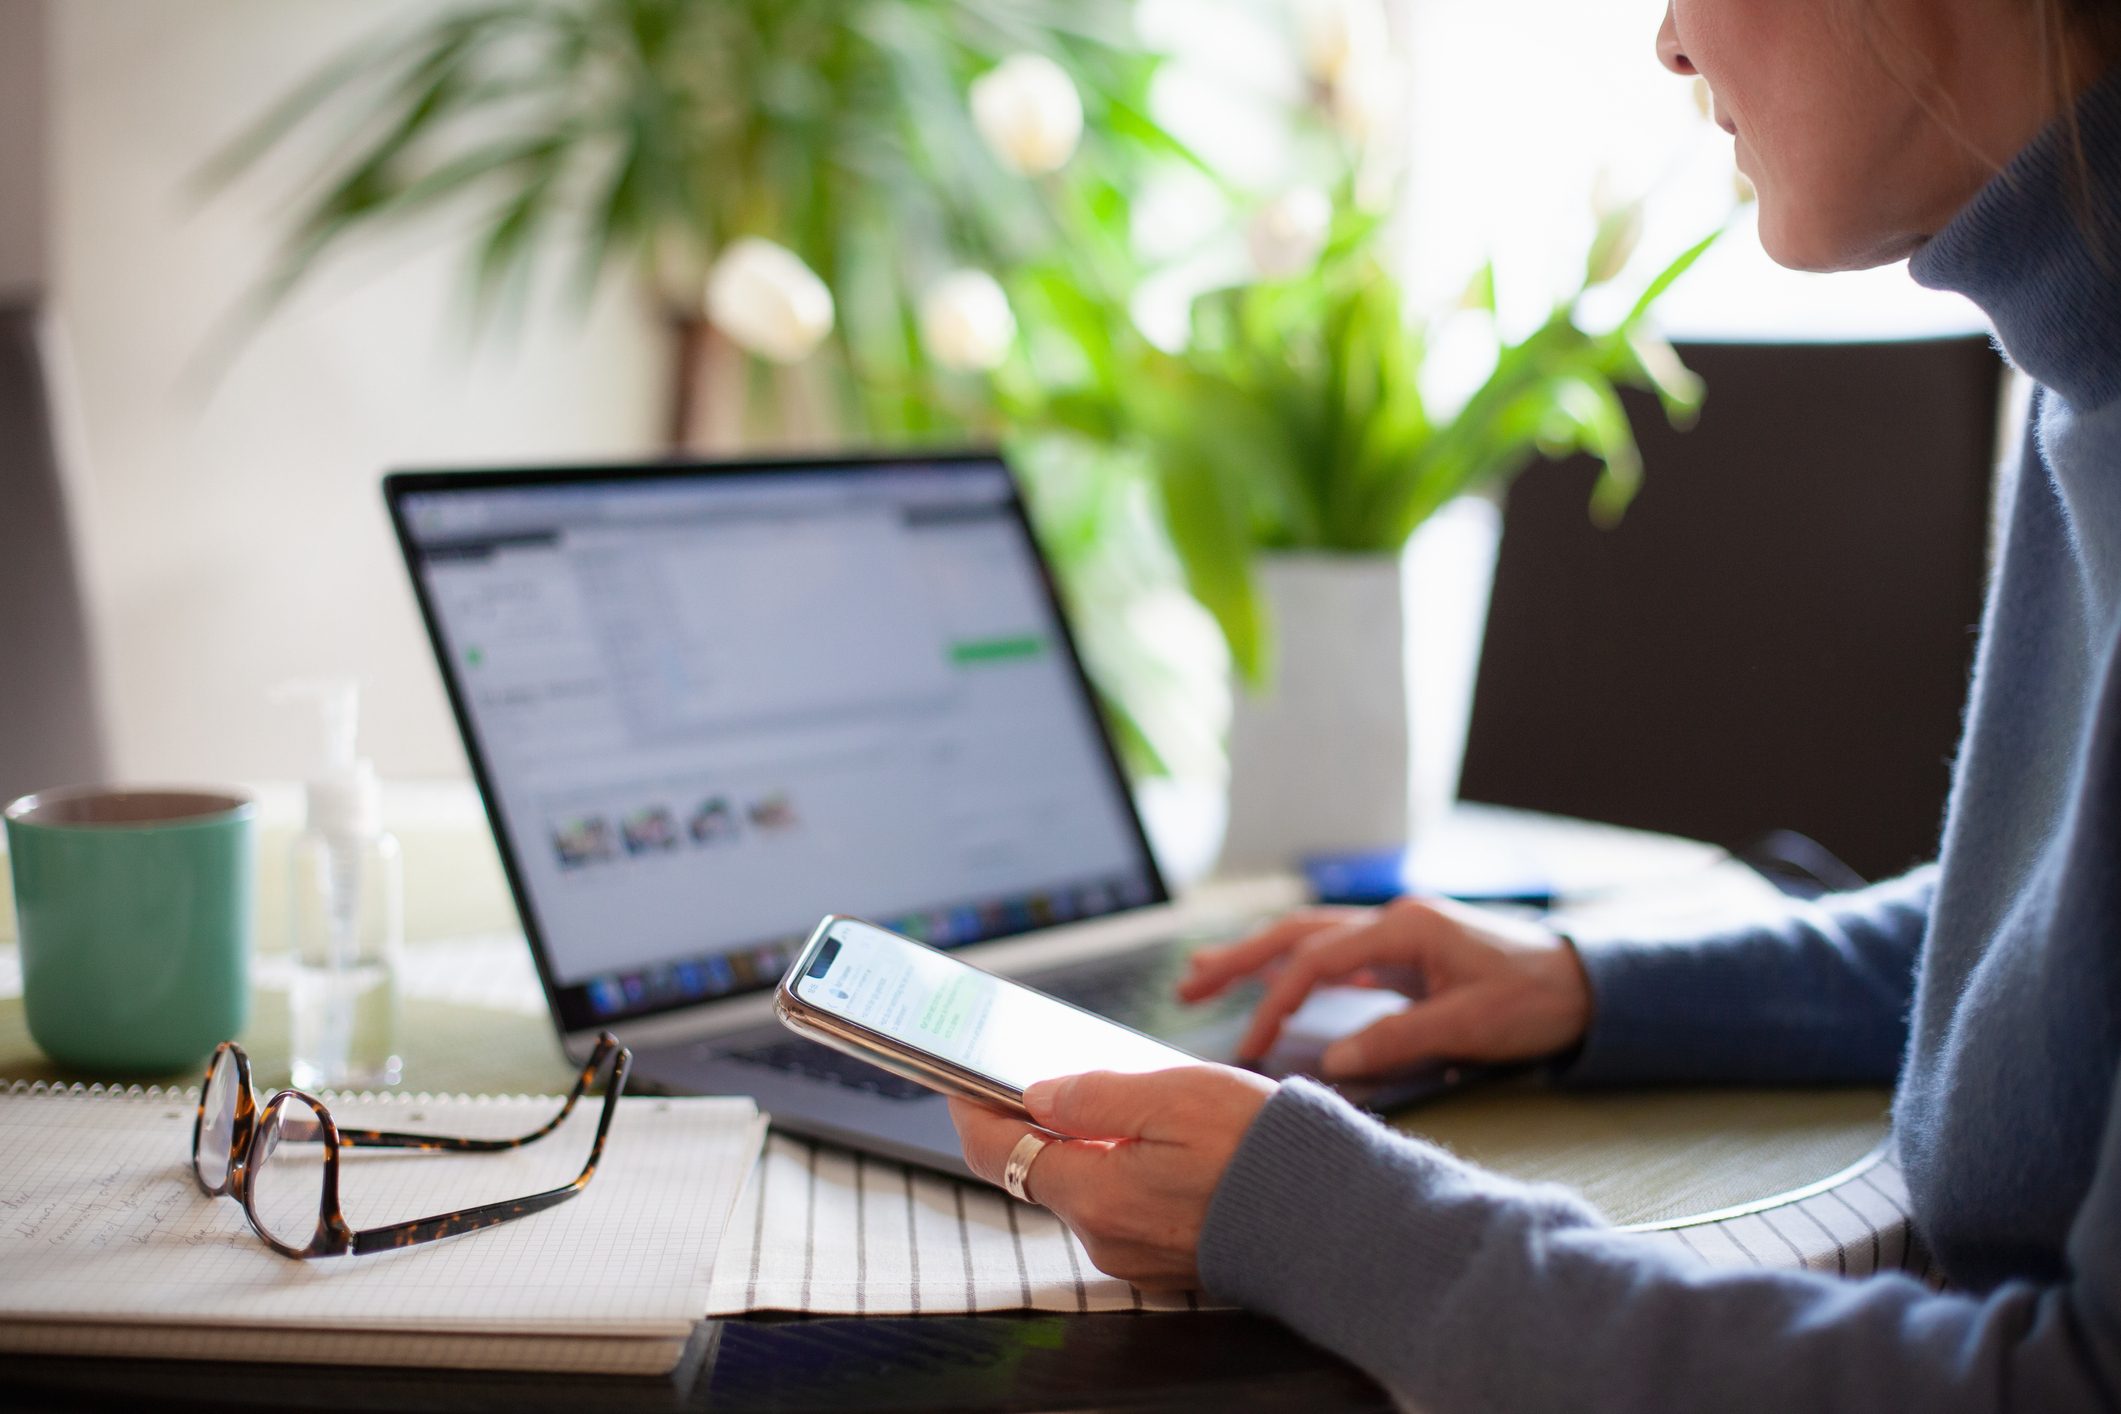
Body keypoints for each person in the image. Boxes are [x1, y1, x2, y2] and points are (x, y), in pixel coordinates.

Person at [949, 0, 2121, 1407]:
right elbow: (2052, 952)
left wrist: (1337, 1225)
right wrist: (1575, 982)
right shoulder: (2081, 375)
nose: (1669, 43)